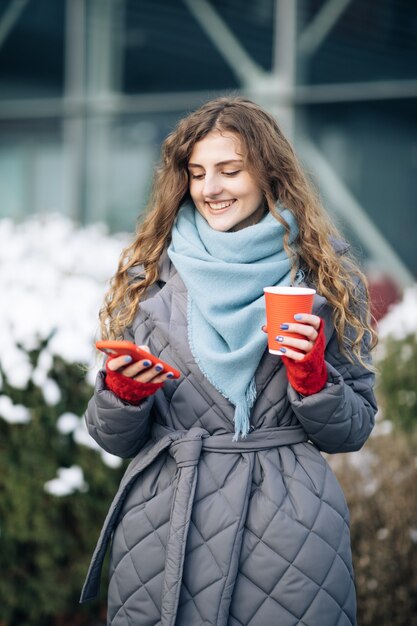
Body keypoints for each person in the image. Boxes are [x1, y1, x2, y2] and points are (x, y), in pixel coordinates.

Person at [80, 96, 377, 626]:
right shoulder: (149, 277)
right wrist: (122, 397)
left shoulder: (325, 277)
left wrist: (312, 378)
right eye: (196, 174)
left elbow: (351, 430)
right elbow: (113, 439)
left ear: (269, 172)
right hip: (164, 525)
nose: (210, 188)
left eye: (230, 170)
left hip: (286, 535)